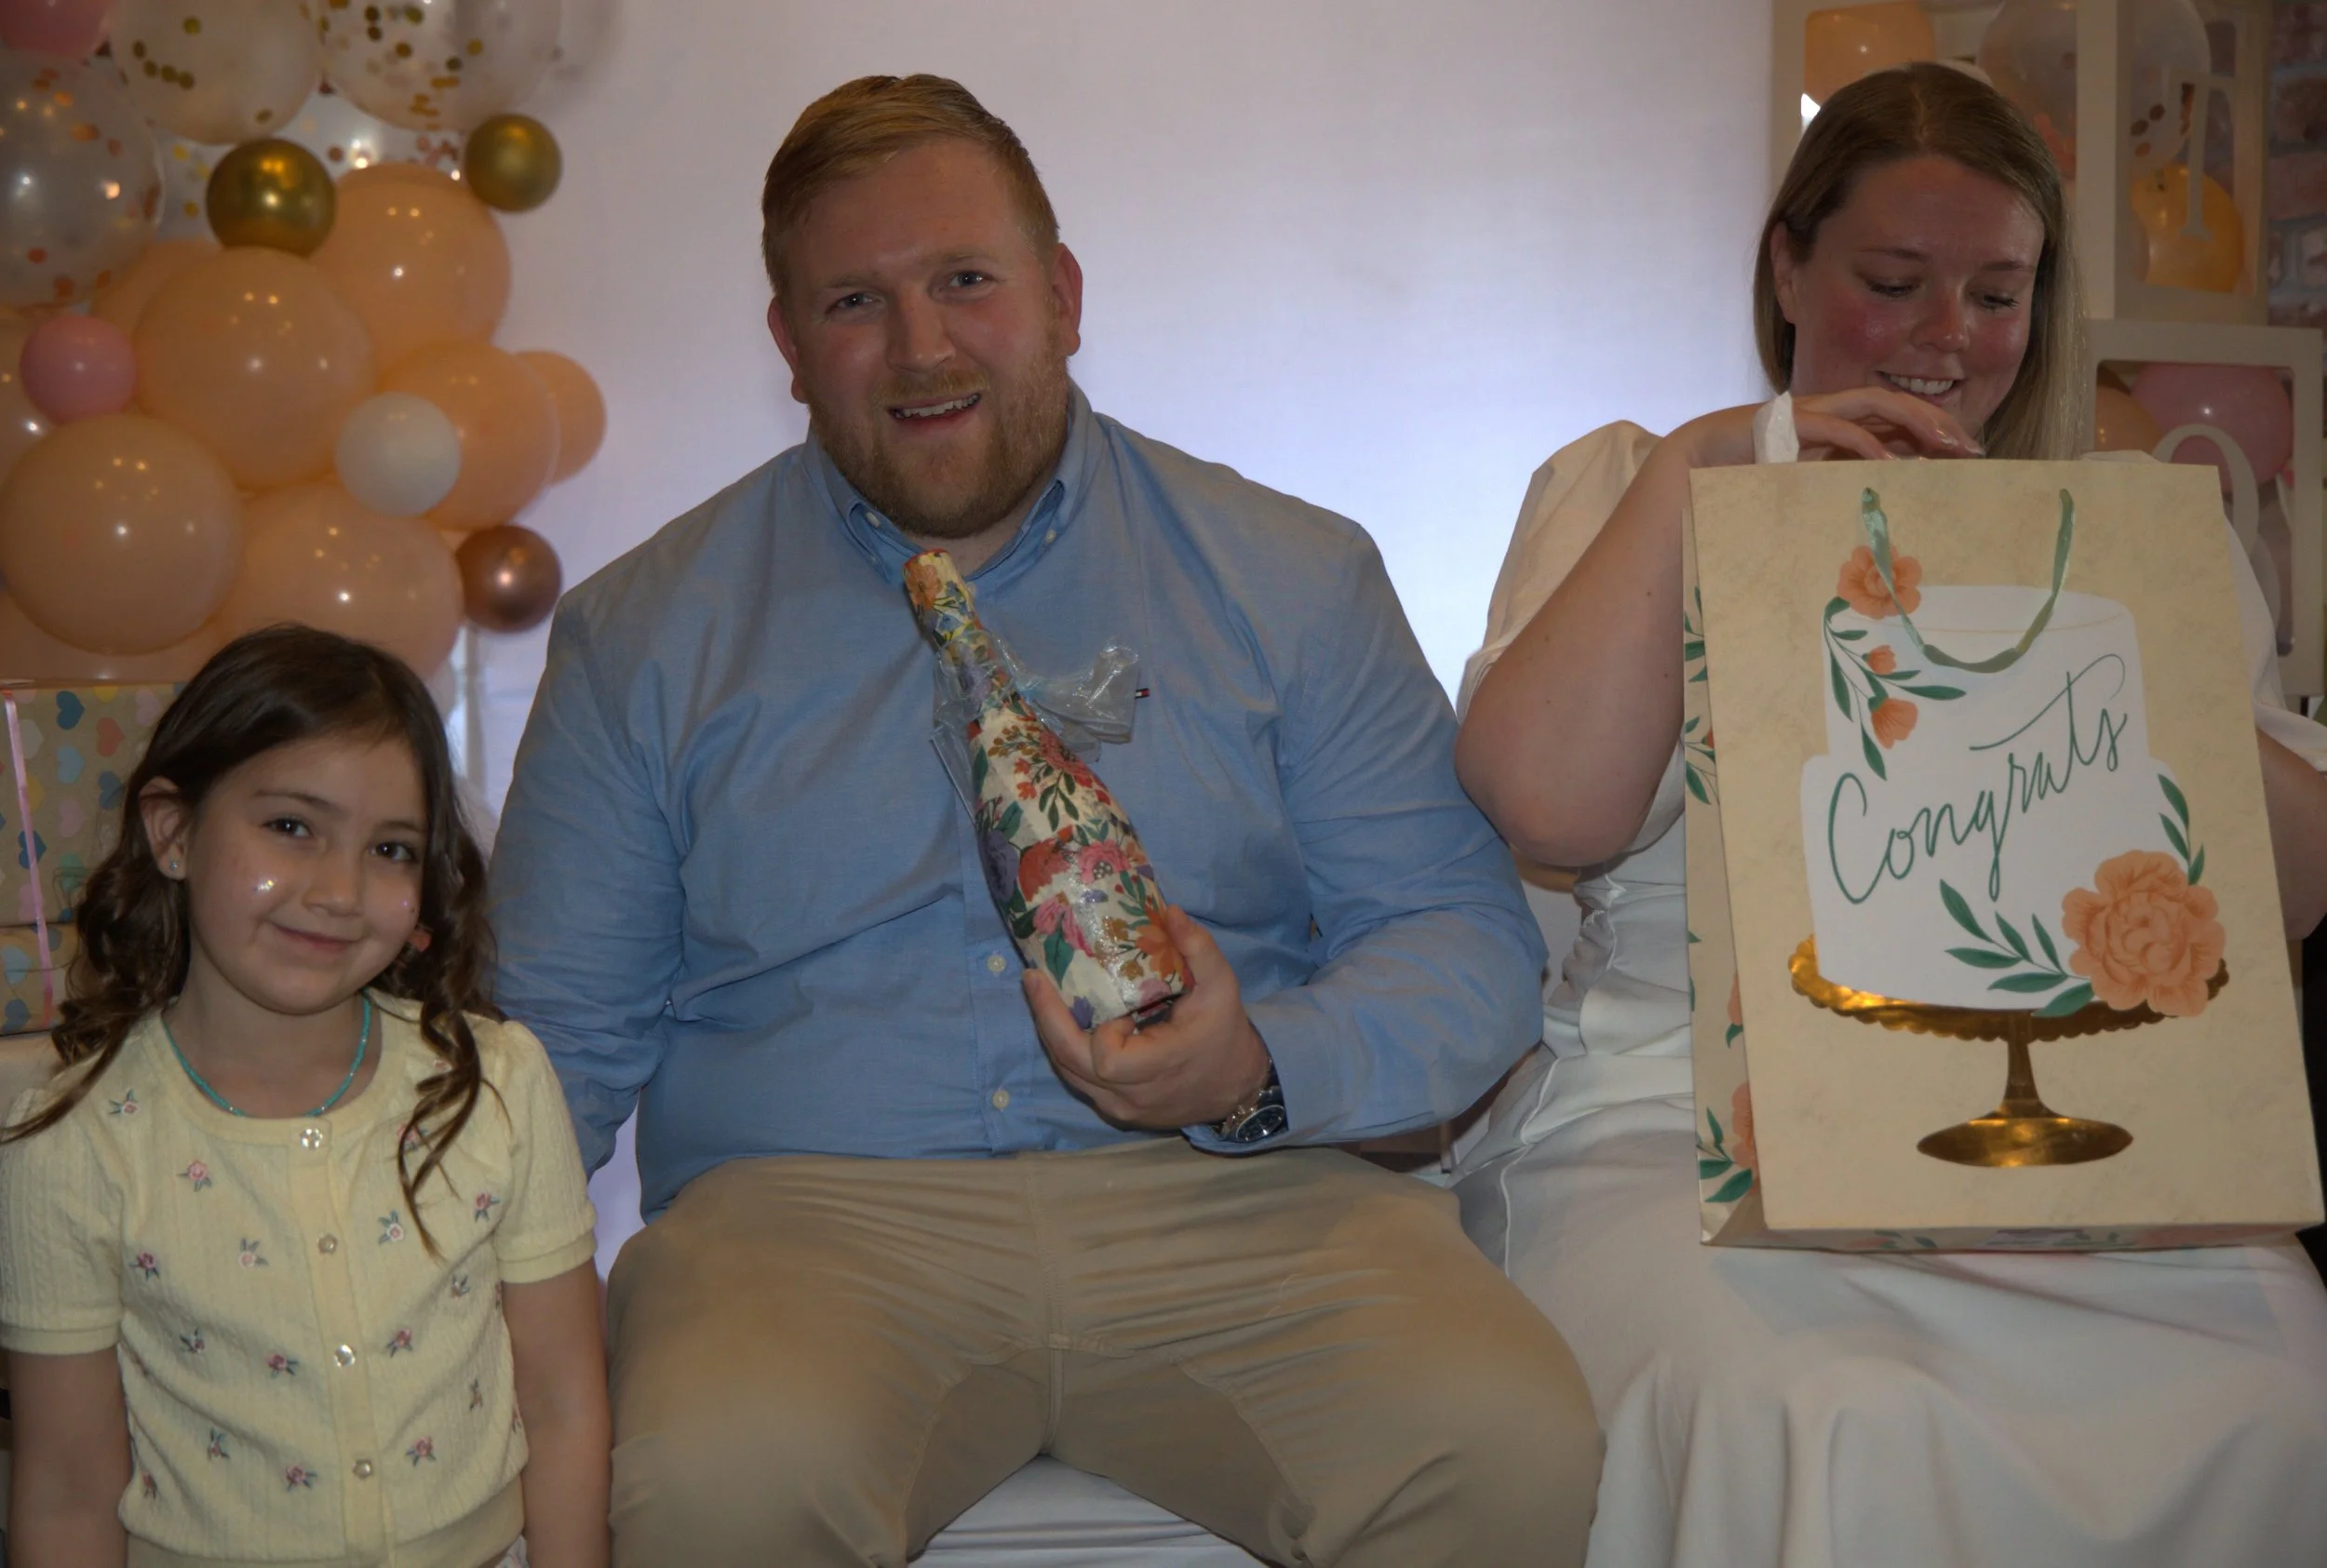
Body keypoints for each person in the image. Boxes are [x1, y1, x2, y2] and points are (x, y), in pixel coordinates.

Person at [489, 72, 1600, 1568]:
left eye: (967, 280)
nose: (921, 347)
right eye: (855, 303)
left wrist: (1256, 1066)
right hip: (804, 1229)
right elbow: (549, 1046)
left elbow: (1460, 943)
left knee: (1502, 1440)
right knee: (715, 1483)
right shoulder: (643, 635)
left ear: (1063, 296)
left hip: (1250, 1198)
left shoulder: (1293, 576)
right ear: (789, 349)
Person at [1452, 62, 2327, 1568]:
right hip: (1686, 1123)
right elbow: (1547, 807)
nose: (1947, 338)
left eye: (1997, 295)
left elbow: (2288, 893)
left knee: (2279, 1385)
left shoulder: (2122, 521)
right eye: (1894, 281)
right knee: (1825, 1414)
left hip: (2085, 1128)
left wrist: (2112, 613)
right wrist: (1709, 472)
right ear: (1789, 269)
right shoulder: (1634, 483)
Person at [0, 628, 610, 1568]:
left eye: (392, 848)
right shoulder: (71, 1139)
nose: (339, 889)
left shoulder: (495, 1081)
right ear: (173, 832)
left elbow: (565, 1403)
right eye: (291, 826)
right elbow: (66, 1492)